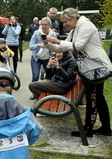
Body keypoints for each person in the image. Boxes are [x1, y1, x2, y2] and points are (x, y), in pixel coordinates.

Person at [44, 7, 112, 136]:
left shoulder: (86, 25)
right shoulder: (75, 29)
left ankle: (87, 130)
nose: (64, 25)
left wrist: (57, 41)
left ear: (74, 18)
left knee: (93, 98)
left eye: (66, 22)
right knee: (99, 98)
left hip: (97, 68)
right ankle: (106, 128)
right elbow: (63, 47)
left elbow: (78, 46)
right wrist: (47, 44)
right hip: (91, 68)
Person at [29, 17, 57, 100]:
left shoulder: (53, 34)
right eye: (42, 24)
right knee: (35, 76)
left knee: (49, 76)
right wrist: (38, 45)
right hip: (36, 58)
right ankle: (34, 93)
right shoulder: (36, 33)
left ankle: (49, 92)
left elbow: (56, 47)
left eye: (46, 25)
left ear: (49, 25)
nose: (44, 26)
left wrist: (53, 54)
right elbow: (30, 46)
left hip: (47, 58)